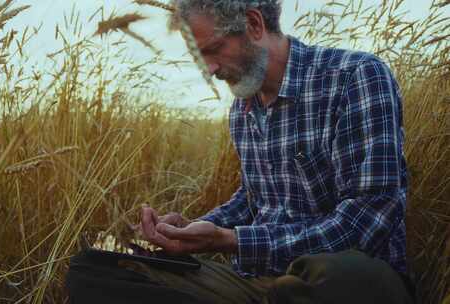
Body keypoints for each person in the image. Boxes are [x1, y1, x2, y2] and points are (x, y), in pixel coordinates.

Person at [65, 0, 416, 303]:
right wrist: (199, 227)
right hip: (255, 283)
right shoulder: (243, 108)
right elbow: (253, 199)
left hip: (336, 284)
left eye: (214, 49)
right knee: (93, 268)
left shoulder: (356, 77)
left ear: (254, 24)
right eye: (199, 57)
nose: (209, 70)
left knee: (331, 275)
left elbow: (369, 218)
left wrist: (230, 241)